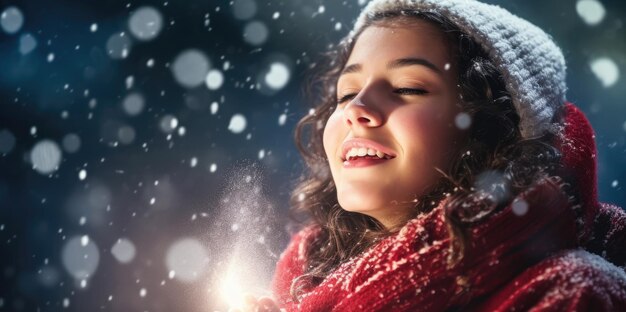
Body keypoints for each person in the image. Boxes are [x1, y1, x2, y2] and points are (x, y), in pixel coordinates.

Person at [237, 0, 626, 311]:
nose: (357, 108)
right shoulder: (305, 279)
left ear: (491, 128)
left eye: (408, 88)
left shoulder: (568, 293)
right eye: (345, 93)